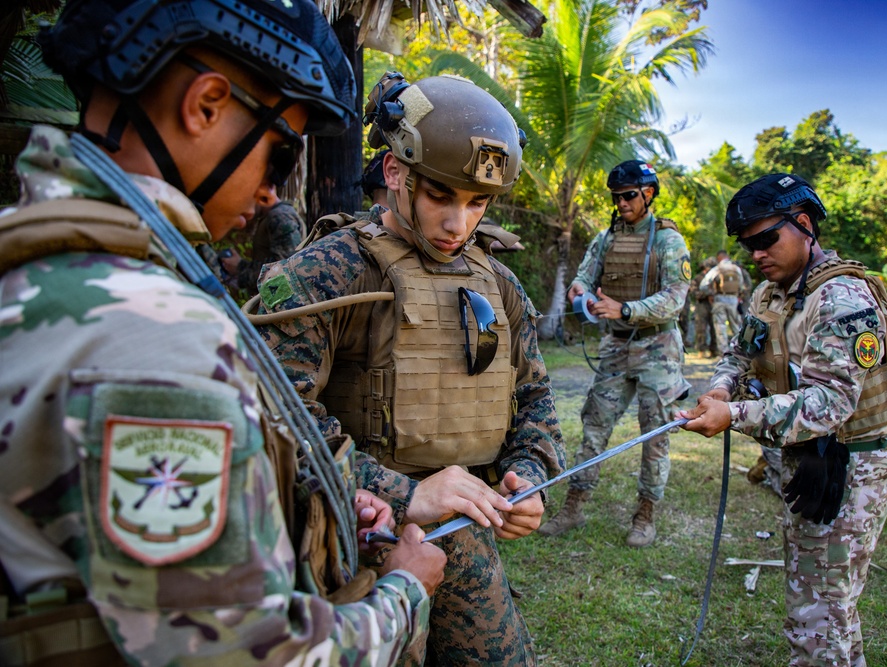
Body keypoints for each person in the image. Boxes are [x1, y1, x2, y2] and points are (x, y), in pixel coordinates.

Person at [0, 1, 447, 665]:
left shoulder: (42, 269)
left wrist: (298, 503)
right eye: (279, 154)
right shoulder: (152, 337)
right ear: (206, 104)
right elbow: (243, 654)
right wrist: (407, 588)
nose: (271, 193)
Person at [256, 71, 565, 665]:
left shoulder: (497, 281)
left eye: (478, 203)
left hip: (459, 530)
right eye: (441, 196)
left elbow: (534, 396)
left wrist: (529, 473)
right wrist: (401, 493)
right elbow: (273, 417)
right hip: (348, 532)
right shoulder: (327, 274)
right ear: (396, 173)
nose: (460, 225)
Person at [682, 173, 887, 666]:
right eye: (747, 246)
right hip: (805, 457)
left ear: (804, 224)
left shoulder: (843, 300)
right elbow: (739, 353)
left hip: (852, 465)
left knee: (820, 611)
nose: (757, 254)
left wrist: (734, 413)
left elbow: (829, 403)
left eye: (766, 239)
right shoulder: (769, 294)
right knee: (824, 606)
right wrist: (721, 386)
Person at [538, 159, 692, 548]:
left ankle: (645, 514)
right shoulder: (607, 237)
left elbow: (676, 298)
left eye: (628, 196)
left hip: (658, 349)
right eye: (616, 197)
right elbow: (586, 273)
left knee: (654, 434)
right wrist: (578, 289)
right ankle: (574, 506)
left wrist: (626, 309)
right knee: (594, 427)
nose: (621, 203)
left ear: (648, 195)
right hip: (616, 347)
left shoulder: (668, 241)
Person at [219, 185, 307, 295]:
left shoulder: (280, 217)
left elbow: (284, 270)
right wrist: (240, 265)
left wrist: (240, 271)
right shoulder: (273, 216)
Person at [699, 249, 750, 355]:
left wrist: (711, 292)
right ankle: (740, 351)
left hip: (719, 300)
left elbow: (703, 285)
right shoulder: (736, 269)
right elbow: (741, 285)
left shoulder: (717, 269)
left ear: (718, 258)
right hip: (733, 300)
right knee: (736, 326)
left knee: (720, 327)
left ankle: (723, 353)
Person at [691, 256, 719, 358]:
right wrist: (707, 293)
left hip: (714, 304)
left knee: (714, 328)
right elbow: (694, 293)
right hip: (702, 304)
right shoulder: (698, 278)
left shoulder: (717, 278)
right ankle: (701, 350)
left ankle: (714, 350)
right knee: (701, 328)